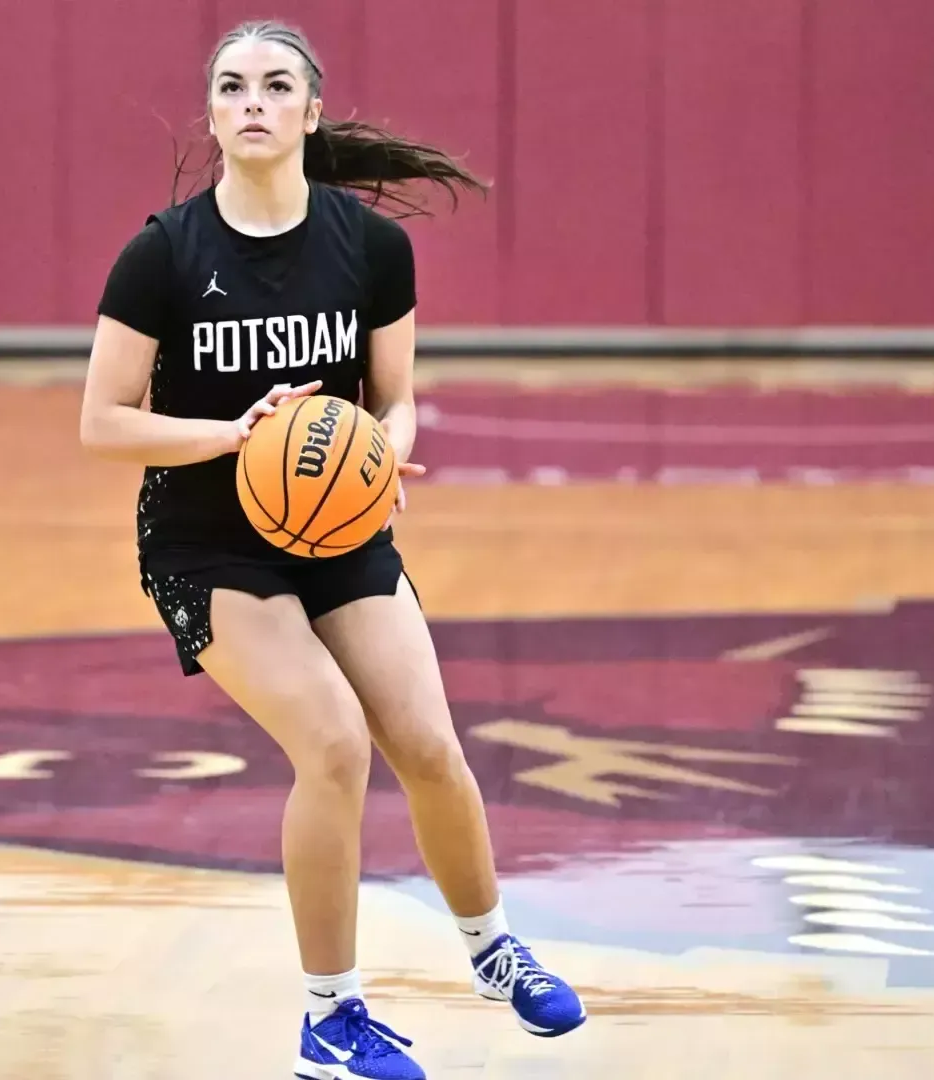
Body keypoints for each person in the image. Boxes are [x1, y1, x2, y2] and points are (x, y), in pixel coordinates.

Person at [78, 19, 586, 1080]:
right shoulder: (161, 254)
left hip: (336, 528)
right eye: (230, 86)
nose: (250, 100)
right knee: (333, 744)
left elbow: (394, 406)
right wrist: (235, 435)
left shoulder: (371, 246)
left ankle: (491, 952)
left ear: (310, 112)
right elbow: (102, 422)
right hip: (205, 542)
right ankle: (329, 1019)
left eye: (274, 85)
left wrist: (380, 450)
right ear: (213, 117)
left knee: (431, 748)